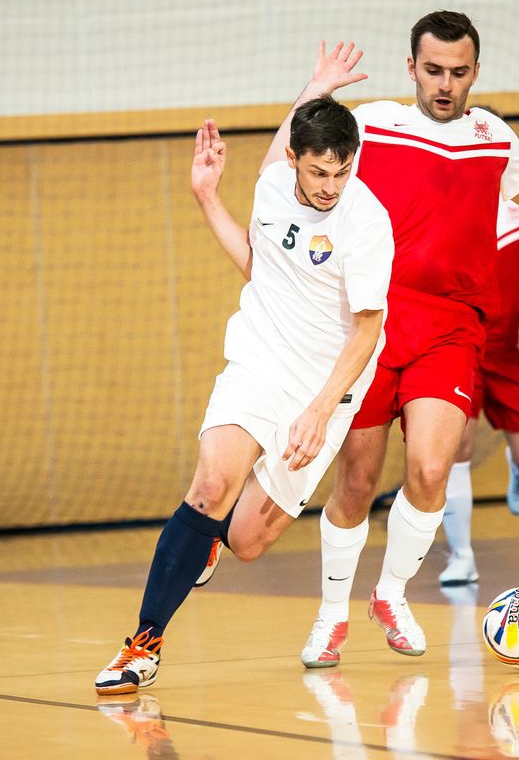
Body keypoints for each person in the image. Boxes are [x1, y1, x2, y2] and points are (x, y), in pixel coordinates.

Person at [263, 11, 519, 668]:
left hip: (453, 328)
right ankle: (330, 616)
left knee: (432, 470)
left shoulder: (493, 136)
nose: (444, 83)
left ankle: (391, 594)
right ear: (412, 67)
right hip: (371, 326)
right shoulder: (373, 124)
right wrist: (314, 90)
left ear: (475, 72)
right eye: (432, 70)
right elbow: (281, 166)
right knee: (356, 482)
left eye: (458, 72)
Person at [94, 95, 394, 695]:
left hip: (327, 386)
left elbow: (368, 330)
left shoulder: (367, 222)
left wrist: (318, 411)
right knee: (210, 485)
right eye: (318, 172)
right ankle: (143, 644)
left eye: (342, 171)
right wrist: (208, 198)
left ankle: (211, 538)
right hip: (259, 362)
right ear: (294, 159)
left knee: (248, 541)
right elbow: (260, 266)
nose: (331, 186)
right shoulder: (273, 185)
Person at [439, 193, 519, 586]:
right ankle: (461, 557)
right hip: (462, 344)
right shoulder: (450, 197)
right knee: (456, 447)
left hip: (515, 348)